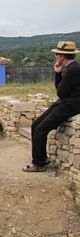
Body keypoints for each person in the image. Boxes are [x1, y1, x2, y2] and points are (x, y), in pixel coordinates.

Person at [23, 41, 80, 172]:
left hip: (70, 105)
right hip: (64, 103)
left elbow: (60, 92)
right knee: (35, 125)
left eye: (56, 54)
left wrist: (58, 74)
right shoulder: (72, 67)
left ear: (61, 56)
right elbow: (60, 91)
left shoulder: (73, 70)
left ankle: (39, 163)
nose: (55, 57)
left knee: (40, 129)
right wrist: (58, 72)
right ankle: (41, 159)